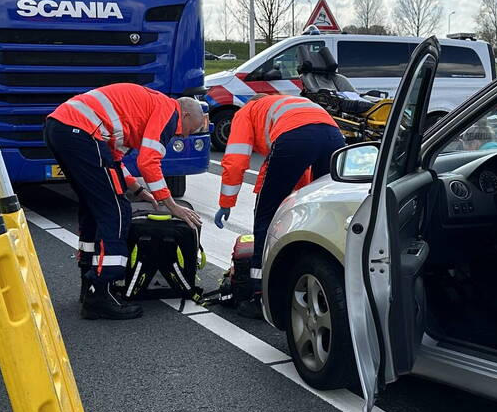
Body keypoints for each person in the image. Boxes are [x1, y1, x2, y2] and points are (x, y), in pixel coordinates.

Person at [44, 83, 206, 320]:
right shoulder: (169, 111)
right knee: (116, 211)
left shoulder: (140, 112)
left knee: (94, 207)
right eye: (187, 130)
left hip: (61, 128)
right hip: (81, 132)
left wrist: (139, 190)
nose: (181, 135)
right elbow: (149, 161)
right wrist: (171, 205)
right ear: (187, 114)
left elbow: (114, 160)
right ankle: (100, 291)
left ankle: (89, 285)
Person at [214, 94, 345, 318]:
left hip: (296, 136)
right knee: (326, 214)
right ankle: (323, 288)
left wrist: (226, 203)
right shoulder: (286, 105)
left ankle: (258, 297)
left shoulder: (246, 112)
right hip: (334, 134)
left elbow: (236, 159)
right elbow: (298, 172)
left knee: (265, 218)